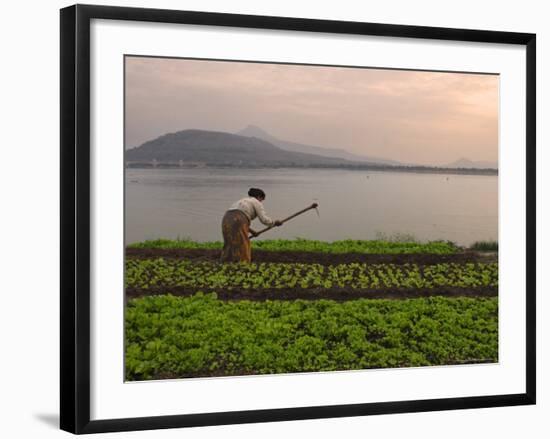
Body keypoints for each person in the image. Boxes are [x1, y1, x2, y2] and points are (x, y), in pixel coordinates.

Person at [220, 188, 282, 263]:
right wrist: (274, 223)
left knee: (229, 242)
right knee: (244, 243)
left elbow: (239, 223)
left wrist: (253, 232)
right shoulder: (256, 202)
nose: (261, 202)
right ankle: (244, 264)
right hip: (239, 219)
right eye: (261, 199)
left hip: (226, 218)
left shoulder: (241, 201)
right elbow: (264, 219)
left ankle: (225, 262)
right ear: (259, 197)